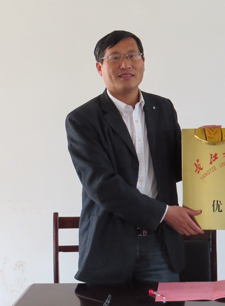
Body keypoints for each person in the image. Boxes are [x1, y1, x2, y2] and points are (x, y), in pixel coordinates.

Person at [65, 30, 203, 284]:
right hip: (109, 245)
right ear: (100, 67)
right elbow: (101, 185)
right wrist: (163, 212)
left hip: (161, 243)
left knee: (165, 302)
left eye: (132, 55)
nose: (125, 64)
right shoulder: (83, 119)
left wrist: (202, 148)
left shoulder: (162, 108)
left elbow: (173, 168)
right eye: (115, 57)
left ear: (143, 61)